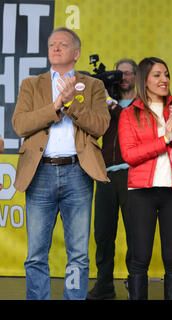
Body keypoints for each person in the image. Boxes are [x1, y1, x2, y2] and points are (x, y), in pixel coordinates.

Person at [11, 27, 110, 300]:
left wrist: (70, 106)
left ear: (76, 53)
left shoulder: (93, 86)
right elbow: (20, 125)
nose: (55, 48)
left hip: (78, 172)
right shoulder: (31, 84)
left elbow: (100, 125)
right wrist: (55, 107)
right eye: (52, 44)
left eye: (62, 44)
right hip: (40, 172)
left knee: (78, 254)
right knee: (35, 255)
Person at [118, 57, 172, 300]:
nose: (164, 80)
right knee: (140, 256)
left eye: (166, 74)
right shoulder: (130, 115)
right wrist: (165, 138)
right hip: (141, 192)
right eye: (157, 75)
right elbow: (130, 155)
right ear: (144, 80)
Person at [87, 59, 137, 300]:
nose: (123, 77)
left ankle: (136, 283)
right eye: (119, 74)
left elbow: (131, 121)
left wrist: (110, 101)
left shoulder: (143, 104)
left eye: (127, 73)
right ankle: (104, 284)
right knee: (103, 233)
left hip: (133, 174)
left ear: (137, 76)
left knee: (135, 233)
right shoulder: (103, 104)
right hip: (105, 174)